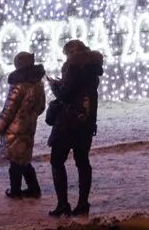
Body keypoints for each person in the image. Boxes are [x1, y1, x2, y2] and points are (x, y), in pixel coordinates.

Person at [47, 38, 104, 217]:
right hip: (86, 122)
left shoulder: (72, 66)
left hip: (67, 122)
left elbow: (66, 95)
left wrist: (54, 86)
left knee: (57, 161)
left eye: (67, 53)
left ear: (72, 52)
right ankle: (83, 204)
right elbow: (82, 92)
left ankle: (63, 204)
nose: (67, 57)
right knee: (83, 162)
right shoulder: (93, 68)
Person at [0, 50, 46, 198]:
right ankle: (33, 188)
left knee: (15, 161)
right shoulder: (38, 84)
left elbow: (8, 110)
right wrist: (30, 116)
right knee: (23, 159)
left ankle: (15, 191)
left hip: (15, 128)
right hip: (29, 126)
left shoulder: (18, 86)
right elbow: (41, 107)